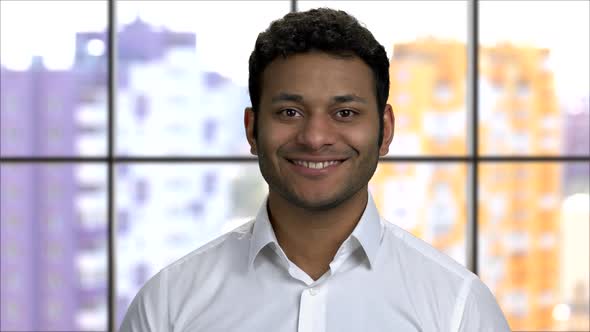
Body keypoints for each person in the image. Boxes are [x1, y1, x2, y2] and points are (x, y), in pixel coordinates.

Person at [120, 8, 510, 332]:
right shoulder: (167, 305)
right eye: (290, 112)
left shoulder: (458, 308)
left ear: (385, 130)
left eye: (345, 113)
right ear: (252, 130)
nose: (315, 137)